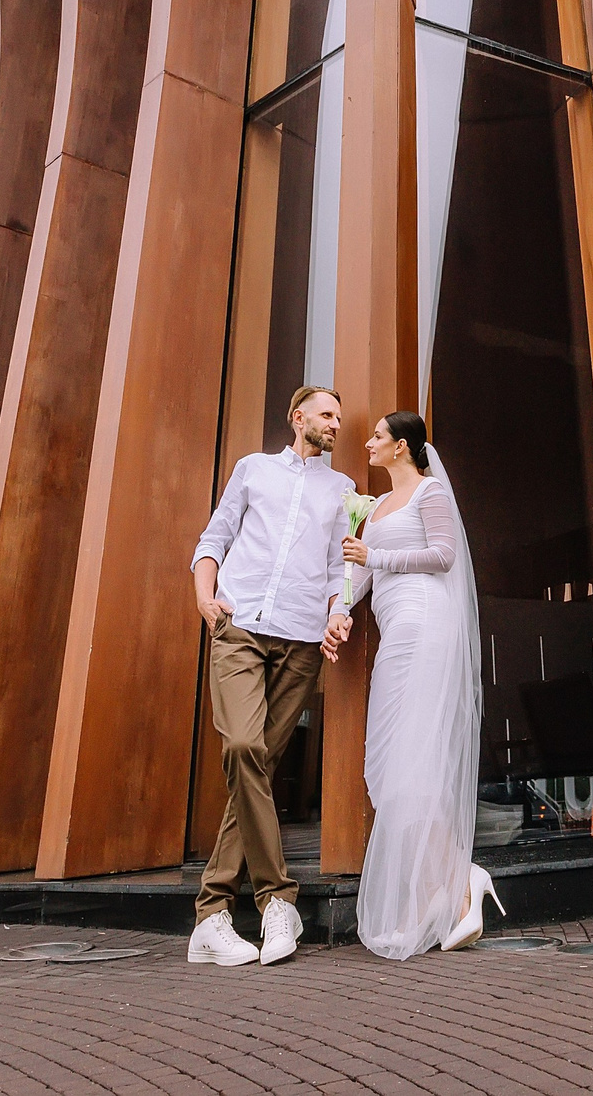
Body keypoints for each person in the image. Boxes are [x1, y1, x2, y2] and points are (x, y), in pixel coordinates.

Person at [187, 385, 357, 968]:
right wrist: (205, 598)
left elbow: (340, 567)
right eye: (328, 414)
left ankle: (211, 914)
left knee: (257, 763)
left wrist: (339, 613)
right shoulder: (253, 470)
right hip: (239, 625)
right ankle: (277, 899)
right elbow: (215, 537)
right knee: (242, 745)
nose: (337, 423)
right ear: (298, 417)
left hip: (303, 639)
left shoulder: (343, 491)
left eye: (341, 416)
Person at [336, 410, 503, 958]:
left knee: (412, 763)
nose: (368, 442)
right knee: (384, 771)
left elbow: (444, 556)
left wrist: (376, 554)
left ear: (401, 446)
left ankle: (454, 891)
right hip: (393, 629)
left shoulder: (429, 493)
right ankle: (458, 878)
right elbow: (361, 574)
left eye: (378, 437)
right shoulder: (378, 505)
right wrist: (337, 613)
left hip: (425, 623)